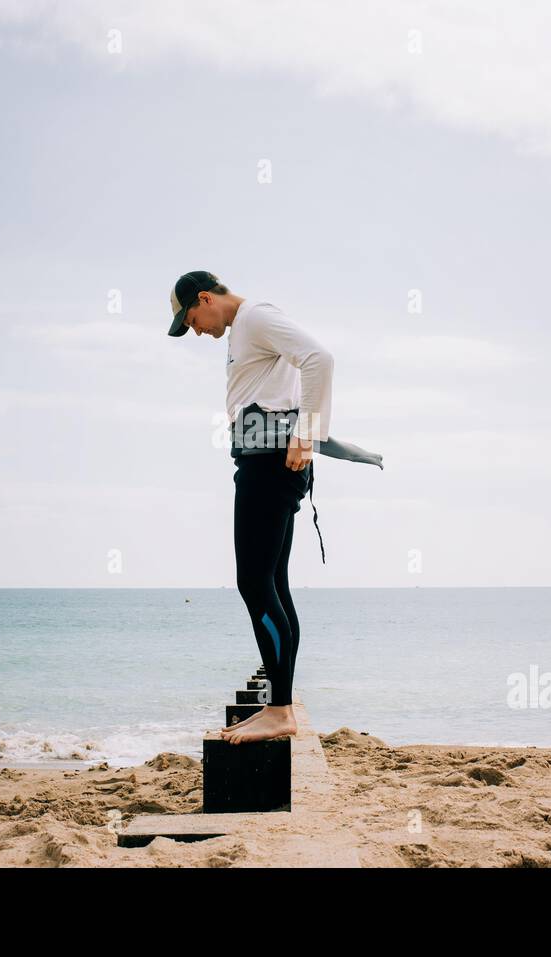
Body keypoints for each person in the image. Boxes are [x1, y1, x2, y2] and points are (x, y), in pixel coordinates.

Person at [166, 270, 335, 744]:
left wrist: (307, 433)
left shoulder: (256, 316)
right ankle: (279, 702)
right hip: (265, 462)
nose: (195, 330)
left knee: (253, 582)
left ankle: (280, 710)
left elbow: (320, 357)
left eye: (191, 319)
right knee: (273, 583)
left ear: (204, 297)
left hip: (269, 466)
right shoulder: (244, 331)